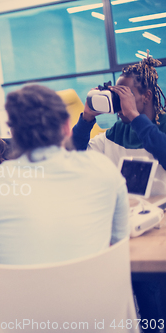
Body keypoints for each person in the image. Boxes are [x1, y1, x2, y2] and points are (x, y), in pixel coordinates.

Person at [0, 84, 130, 332]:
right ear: (67, 126)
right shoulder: (106, 171)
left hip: (21, 323)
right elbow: (121, 243)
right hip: (98, 318)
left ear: (13, 131)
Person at [72, 55, 166, 331]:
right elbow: (74, 158)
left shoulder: (157, 127)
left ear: (146, 96)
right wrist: (87, 118)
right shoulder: (117, 132)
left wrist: (136, 118)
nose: (119, 103)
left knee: (151, 290)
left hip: (160, 229)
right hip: (130, 228)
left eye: (126, 95)